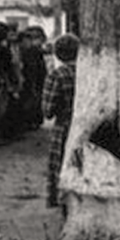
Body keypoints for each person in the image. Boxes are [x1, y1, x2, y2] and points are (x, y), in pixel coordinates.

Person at [42, 33, 79, 209]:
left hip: (64, 126)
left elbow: (47, 110)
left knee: (62, 168)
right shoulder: (89, 72)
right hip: (85, 127)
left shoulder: (58, 75)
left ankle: (64, 205)